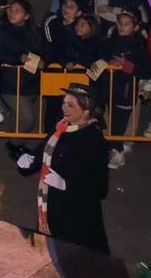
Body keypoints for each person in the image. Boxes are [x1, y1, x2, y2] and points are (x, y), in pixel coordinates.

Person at [13, 84, 112, 254]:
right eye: (64, 102)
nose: (64, 107)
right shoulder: (60, 128)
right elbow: (41, 155)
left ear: (87, 111)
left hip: (78, 221)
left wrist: (66, 184)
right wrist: (26, 162)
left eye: (70, 105)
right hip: (52, 213)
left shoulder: (95, 142)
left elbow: (100, 187)